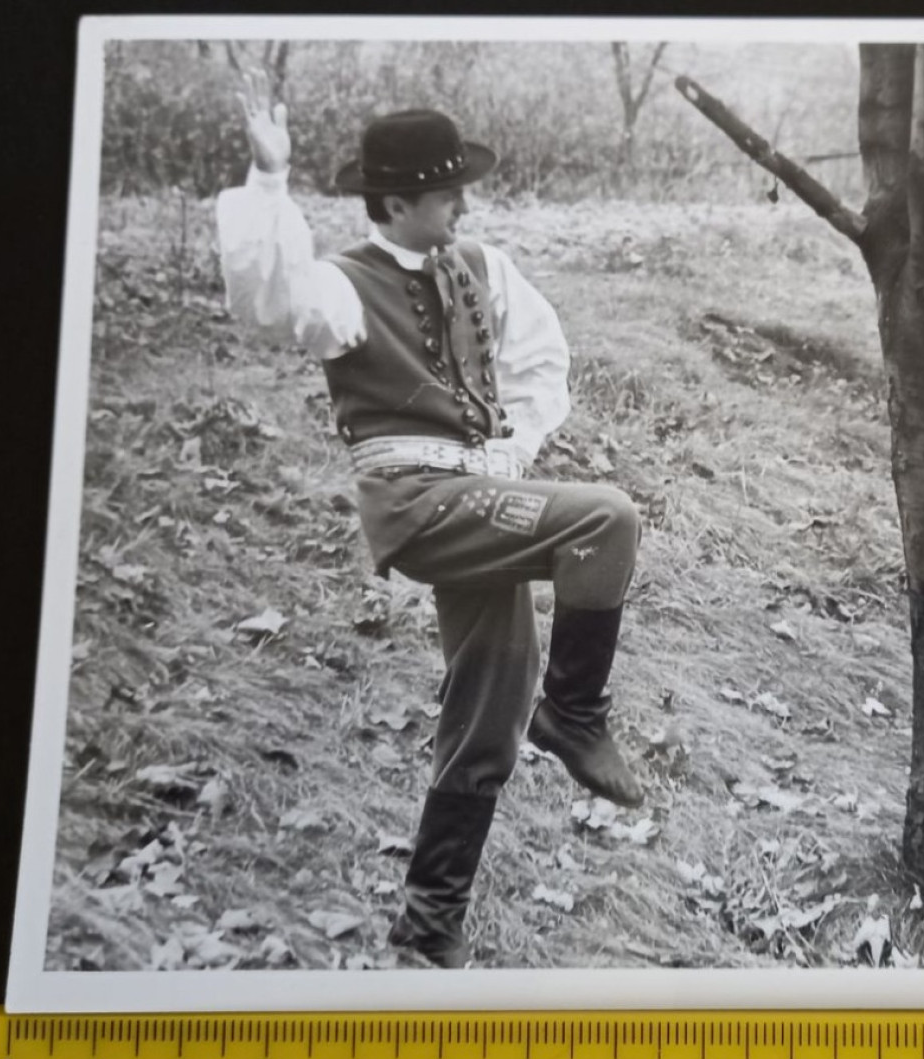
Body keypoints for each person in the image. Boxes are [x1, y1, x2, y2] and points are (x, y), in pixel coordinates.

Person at [216, 71, 646, 968]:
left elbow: (539, 361)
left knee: (488, 710)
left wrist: (513, 452)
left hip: (479, 498)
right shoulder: (339, 287)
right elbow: (265, 305)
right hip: (415, 503)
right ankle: (574, 710)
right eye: (447, 190)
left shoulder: (484, 267)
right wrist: (267, 181)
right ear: (399, 199)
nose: (462, 202)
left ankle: (427, 922)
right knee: (605, 520)